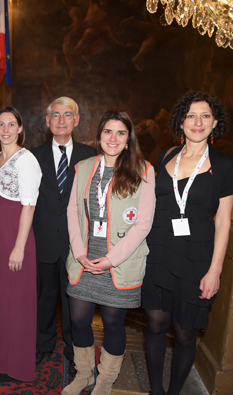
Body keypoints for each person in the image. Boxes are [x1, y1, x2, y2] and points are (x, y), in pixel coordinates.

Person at [142, 92, 233, 395]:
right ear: (180, 122)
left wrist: (215, 271)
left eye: (205, 116)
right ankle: (156, 390)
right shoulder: (167, 155)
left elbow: (223, 222)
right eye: (190, 116)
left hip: (196, 258)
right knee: (156, 324)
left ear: (215, 122)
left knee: (185, 334)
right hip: (158, 251)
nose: (197, 122)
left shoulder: (225, 165)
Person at [64, 109, 155, 395]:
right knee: (78, 319)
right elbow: (71, 212)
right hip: (84, 259)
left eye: (120, 132)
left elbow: (143, 224)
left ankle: (105, 380)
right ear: (99, 135)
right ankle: (84, 374)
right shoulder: (83, 167)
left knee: (114, 323)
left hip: (119, 262)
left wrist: (110, 259)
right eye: (107, 131)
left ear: (128, 139)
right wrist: (79, 253)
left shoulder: (144, 170)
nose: (113, 138)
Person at [0, 107, 42, 382]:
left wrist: (19, 248)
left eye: (11, 124)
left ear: (19, 128)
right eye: (0, 124)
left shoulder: (26, 160)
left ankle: (16, 364)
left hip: (16, 239)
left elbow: (29, 207)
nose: (5, 129)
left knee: (16, 304)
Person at [32, 97, 95, 374]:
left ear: (76, 120)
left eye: (67, 115)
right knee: (43, 298)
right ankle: (43, 346)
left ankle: (73, 351)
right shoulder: (33, 156)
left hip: (76, 243)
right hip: (42, 239)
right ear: (48, 122)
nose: (61, 120)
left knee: (74, 302)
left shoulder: (91, 155)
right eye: (55, 115)